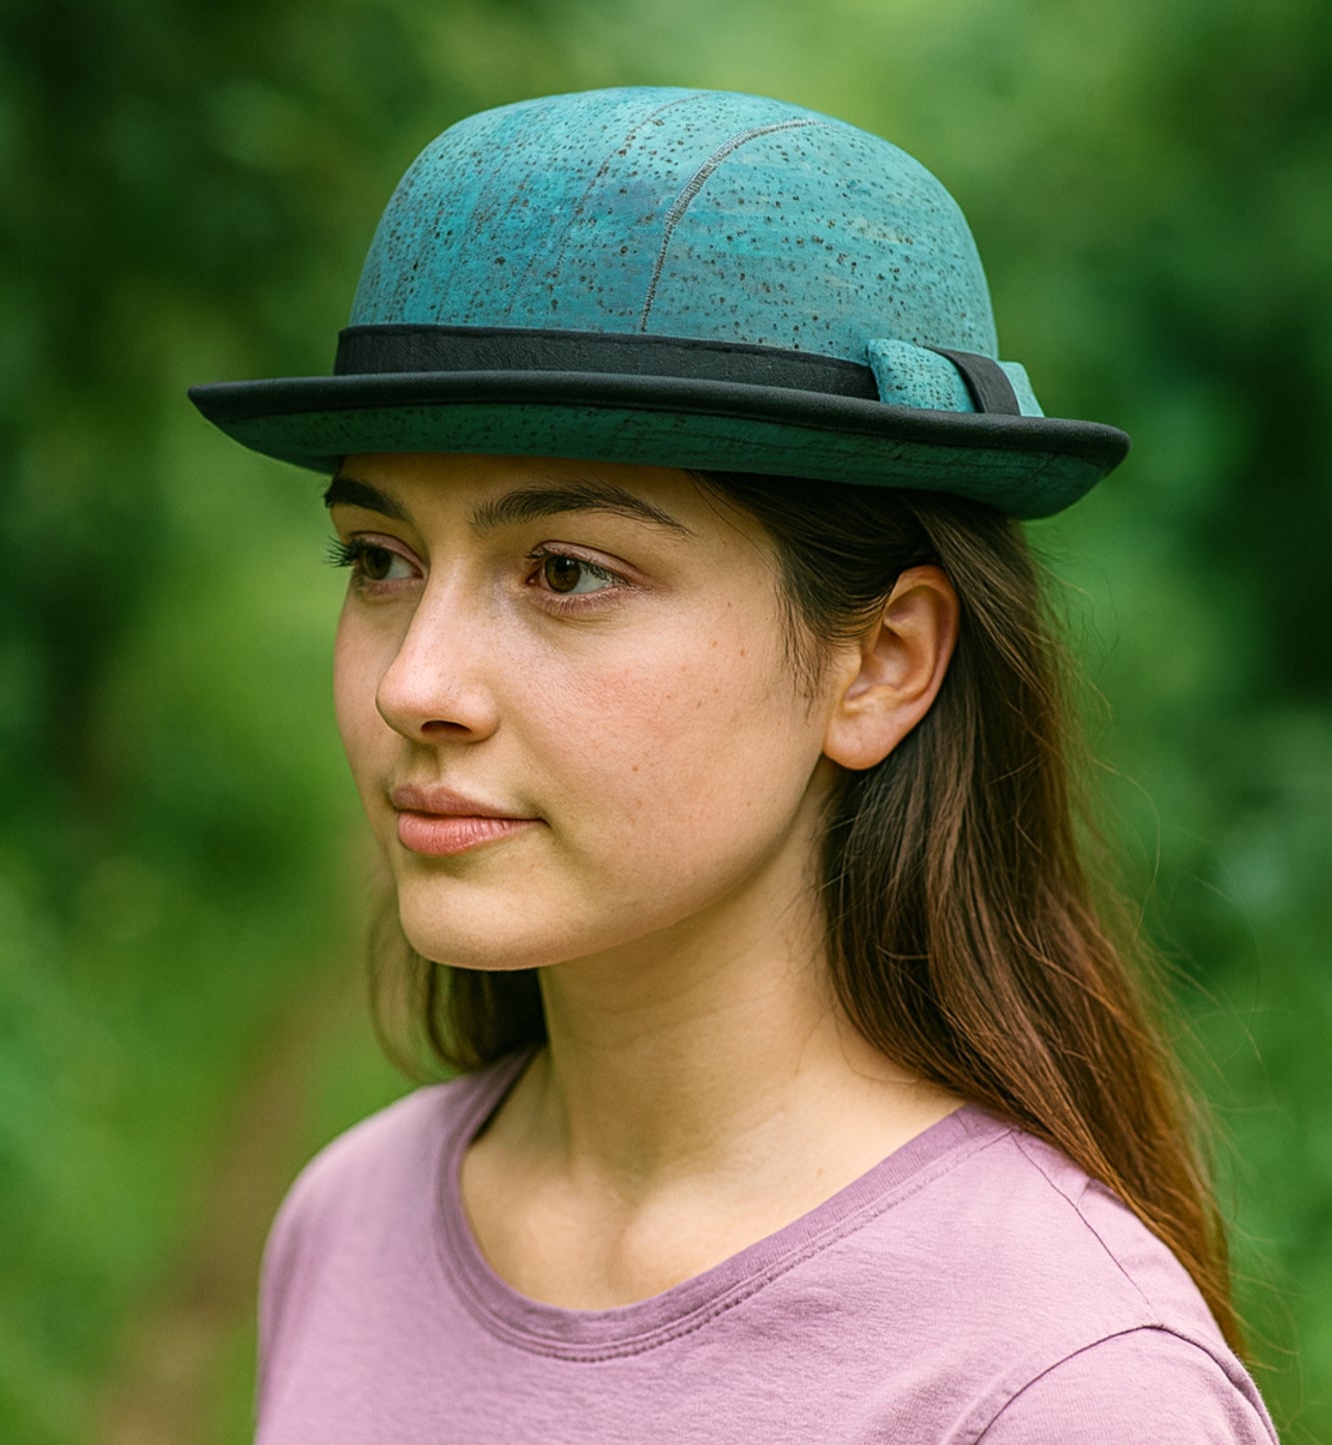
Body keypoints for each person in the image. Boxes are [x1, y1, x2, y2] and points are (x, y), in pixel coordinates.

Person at [189, 87, 1277, 1442]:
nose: (416, 682)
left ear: (879, 662)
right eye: (380, 560)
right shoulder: (351, 1216)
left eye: (567, 571)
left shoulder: (1058, 1384)